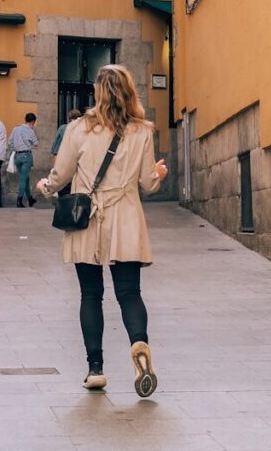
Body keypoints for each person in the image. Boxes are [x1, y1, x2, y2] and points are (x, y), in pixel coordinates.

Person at [36, 64, 168, 396]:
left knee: (91, 295)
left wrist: (45, 186)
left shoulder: (78, 129)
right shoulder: (141, 131)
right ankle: (139, 343)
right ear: (128, 91)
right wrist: (160, 173)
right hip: (125, 218)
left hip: (88, 219)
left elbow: (61, 175)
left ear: (97, 92)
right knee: (130, 293)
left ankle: (95, 368)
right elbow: (148, 184)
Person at [9, 112, 39, 207]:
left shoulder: (15, 129)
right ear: (33, 121)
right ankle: (19, 200)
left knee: (25, 178)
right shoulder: (30, 131)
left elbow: (9, 142)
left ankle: (30, 199)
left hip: (17, 156)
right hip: (26, 156)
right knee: (23, 178)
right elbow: (36, 143)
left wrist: (16, 147)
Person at [51, 109, 82, 196]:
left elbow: (55, 148)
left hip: (64, 160)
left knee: (64, 188)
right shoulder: (84, 129)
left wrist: (54, 166)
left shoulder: (63, 128)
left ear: (69, 119)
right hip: (79, 162)